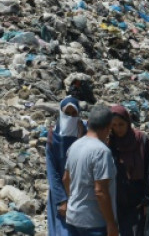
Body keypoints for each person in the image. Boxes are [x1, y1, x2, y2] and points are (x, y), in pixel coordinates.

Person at [63, 105, 119, 236]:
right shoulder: (101, 151)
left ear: (88, 123)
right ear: (107, 128)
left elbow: (66, 179)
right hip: (94, 222)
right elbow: (100, 191)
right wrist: (111, 223)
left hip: (73, 217)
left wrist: (74, 199)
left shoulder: (75, 145)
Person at [108, 106, 149, 236]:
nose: (118, 129)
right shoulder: (110, 142)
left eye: (121, 124)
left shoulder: (141, 140)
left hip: (137, 198)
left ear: (128, 122)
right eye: (114, 125)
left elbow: (148, 170)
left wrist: (148, 199)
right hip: (117, 197)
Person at [46, 97, 86, 236]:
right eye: (67, 114)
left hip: (83, 193)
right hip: (61, 194)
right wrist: (62, 200)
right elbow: (52, 171)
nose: (70, 117)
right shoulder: (53, 137)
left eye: (74, 114)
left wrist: (82, 139)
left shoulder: (85, 132)